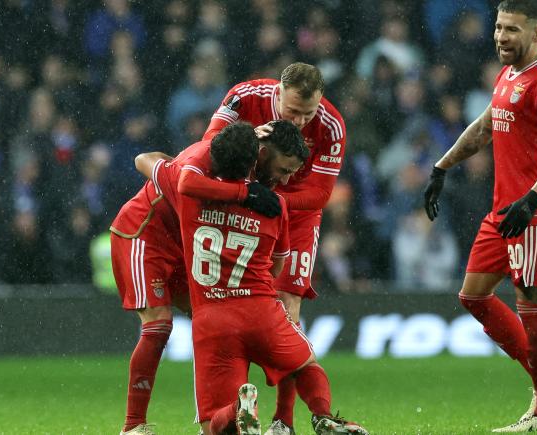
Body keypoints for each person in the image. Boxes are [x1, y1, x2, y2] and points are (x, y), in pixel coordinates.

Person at [141, 122, 367, 435]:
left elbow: (146, 160)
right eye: (285, 169)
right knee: (305, 363)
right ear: (258, 157)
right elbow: (276, 267)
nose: (286, 178)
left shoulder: (189, 192)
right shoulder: (275, 207)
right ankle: (323, 416)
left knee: (212, 426)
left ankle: (237, 410)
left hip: (212, 318)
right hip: (260, 310)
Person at [423, 1, 537, 432]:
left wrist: (532, 199)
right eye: (497, 27)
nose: (500, 37)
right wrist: (442, 166)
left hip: (534, 209)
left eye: (511, 29)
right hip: (502, 210)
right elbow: (487, 126)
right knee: (473, 296)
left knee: (532, 302)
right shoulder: (508, 75)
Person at [110, 119, 292, 434]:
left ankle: (223, 416)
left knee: (227, 322)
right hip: (144, 235)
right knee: (159, 325)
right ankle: (133, 426)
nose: (282, 179)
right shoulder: (190, 176)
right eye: (283, 170)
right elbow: (145, 159)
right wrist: (242, 193)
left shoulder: (242, 171)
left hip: (187, 247)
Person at [201, 62, 345, 435]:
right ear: (277, 93)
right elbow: (210, 145)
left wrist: (274, 201)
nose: (299, 121)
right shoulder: (245, 96)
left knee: (288, 308)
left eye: (307, 113)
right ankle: (238, 403)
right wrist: (248, 135)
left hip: (293, 215)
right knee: (240, 304)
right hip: (244, 205)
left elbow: (320, 194)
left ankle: (283, 421)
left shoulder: (331, 126)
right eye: (292, 111)